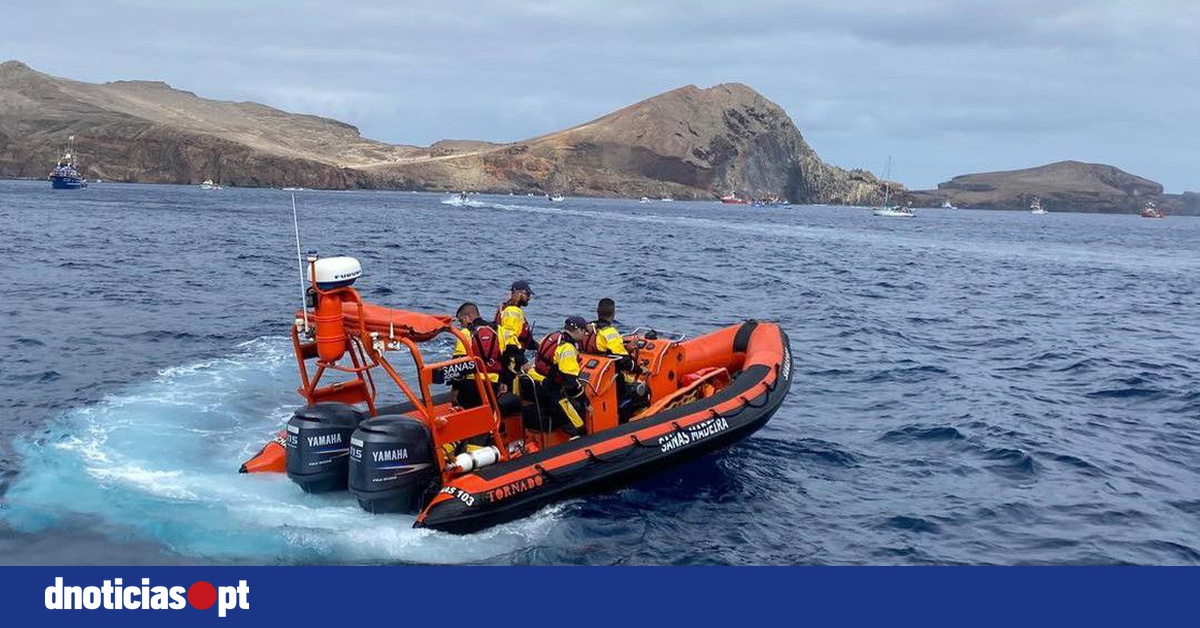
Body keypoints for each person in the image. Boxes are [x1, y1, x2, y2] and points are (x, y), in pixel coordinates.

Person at [524, 316, 590, 439]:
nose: (585, 334)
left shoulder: (551, 336)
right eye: (584, 331)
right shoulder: (567, 349)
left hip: (537, 382)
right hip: (551, 392)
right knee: (579, 427)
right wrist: (585, 401)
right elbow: (571, 383)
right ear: (579, 330)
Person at [584, 298, 645, 420]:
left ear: (597, 311)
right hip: (610, 377)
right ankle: (625, 421)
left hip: (589, 373)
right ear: (614, 313)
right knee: (640, 393)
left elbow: (602, 349)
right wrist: (640, 369)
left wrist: (626, 348)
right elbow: (625, 362)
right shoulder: (610, 333)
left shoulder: (587, 329)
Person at [448, 302, 503, 409]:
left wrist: (455, 389)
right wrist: (504, 381)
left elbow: (458, 364)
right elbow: (506, 357)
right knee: (490, 415)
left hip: (471, 384)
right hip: (493, 383)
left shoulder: (465, 333)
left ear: (468, 317)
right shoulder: (499, 330)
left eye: (461, 321)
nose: (462, 324)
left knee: (468, 416)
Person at [495, 280, 538, 392]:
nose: (529, 298)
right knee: (512, 387)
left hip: (511, 355)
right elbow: (509, 337)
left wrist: (537, 345)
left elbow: (522, 336)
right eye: (527, 294)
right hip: (511, 357)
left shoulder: (509, 309)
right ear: (518, 293)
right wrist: (518, 357)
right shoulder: (513, 311)